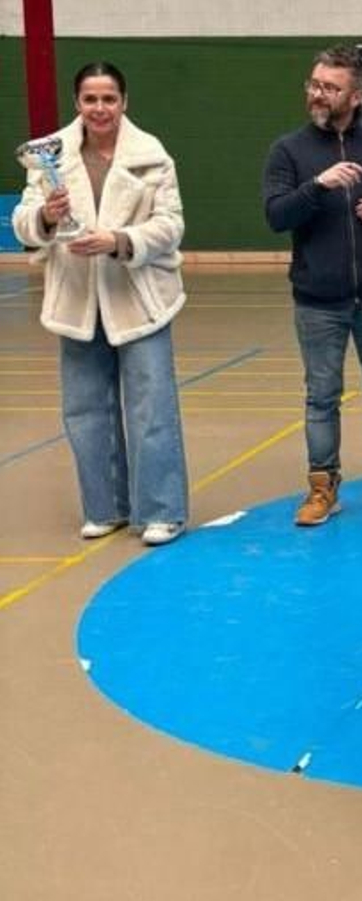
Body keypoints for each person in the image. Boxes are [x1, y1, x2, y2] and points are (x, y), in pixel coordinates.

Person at [11, 62, 188, 546]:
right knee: (86, 410)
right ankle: (105, 507)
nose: (100, 108)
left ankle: (162, 511)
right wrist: (45, 219)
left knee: (151, 408)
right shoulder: (49, 156)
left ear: (124, 102)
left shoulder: (152, 156)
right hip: (76, 300)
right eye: (90, 99)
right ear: (77, 104)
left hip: (139, 299)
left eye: (109, 98)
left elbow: (171, 225)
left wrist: (119, 239)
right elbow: (24, 222)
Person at [262, 43, 362, 527]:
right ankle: (322, 487)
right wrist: (320, 185)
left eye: (330, 88)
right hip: (317, 302)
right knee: (321, 396)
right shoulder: (288, 150)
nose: (318, 94)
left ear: (355, 96)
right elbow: (275, 215)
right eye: (314, 84)